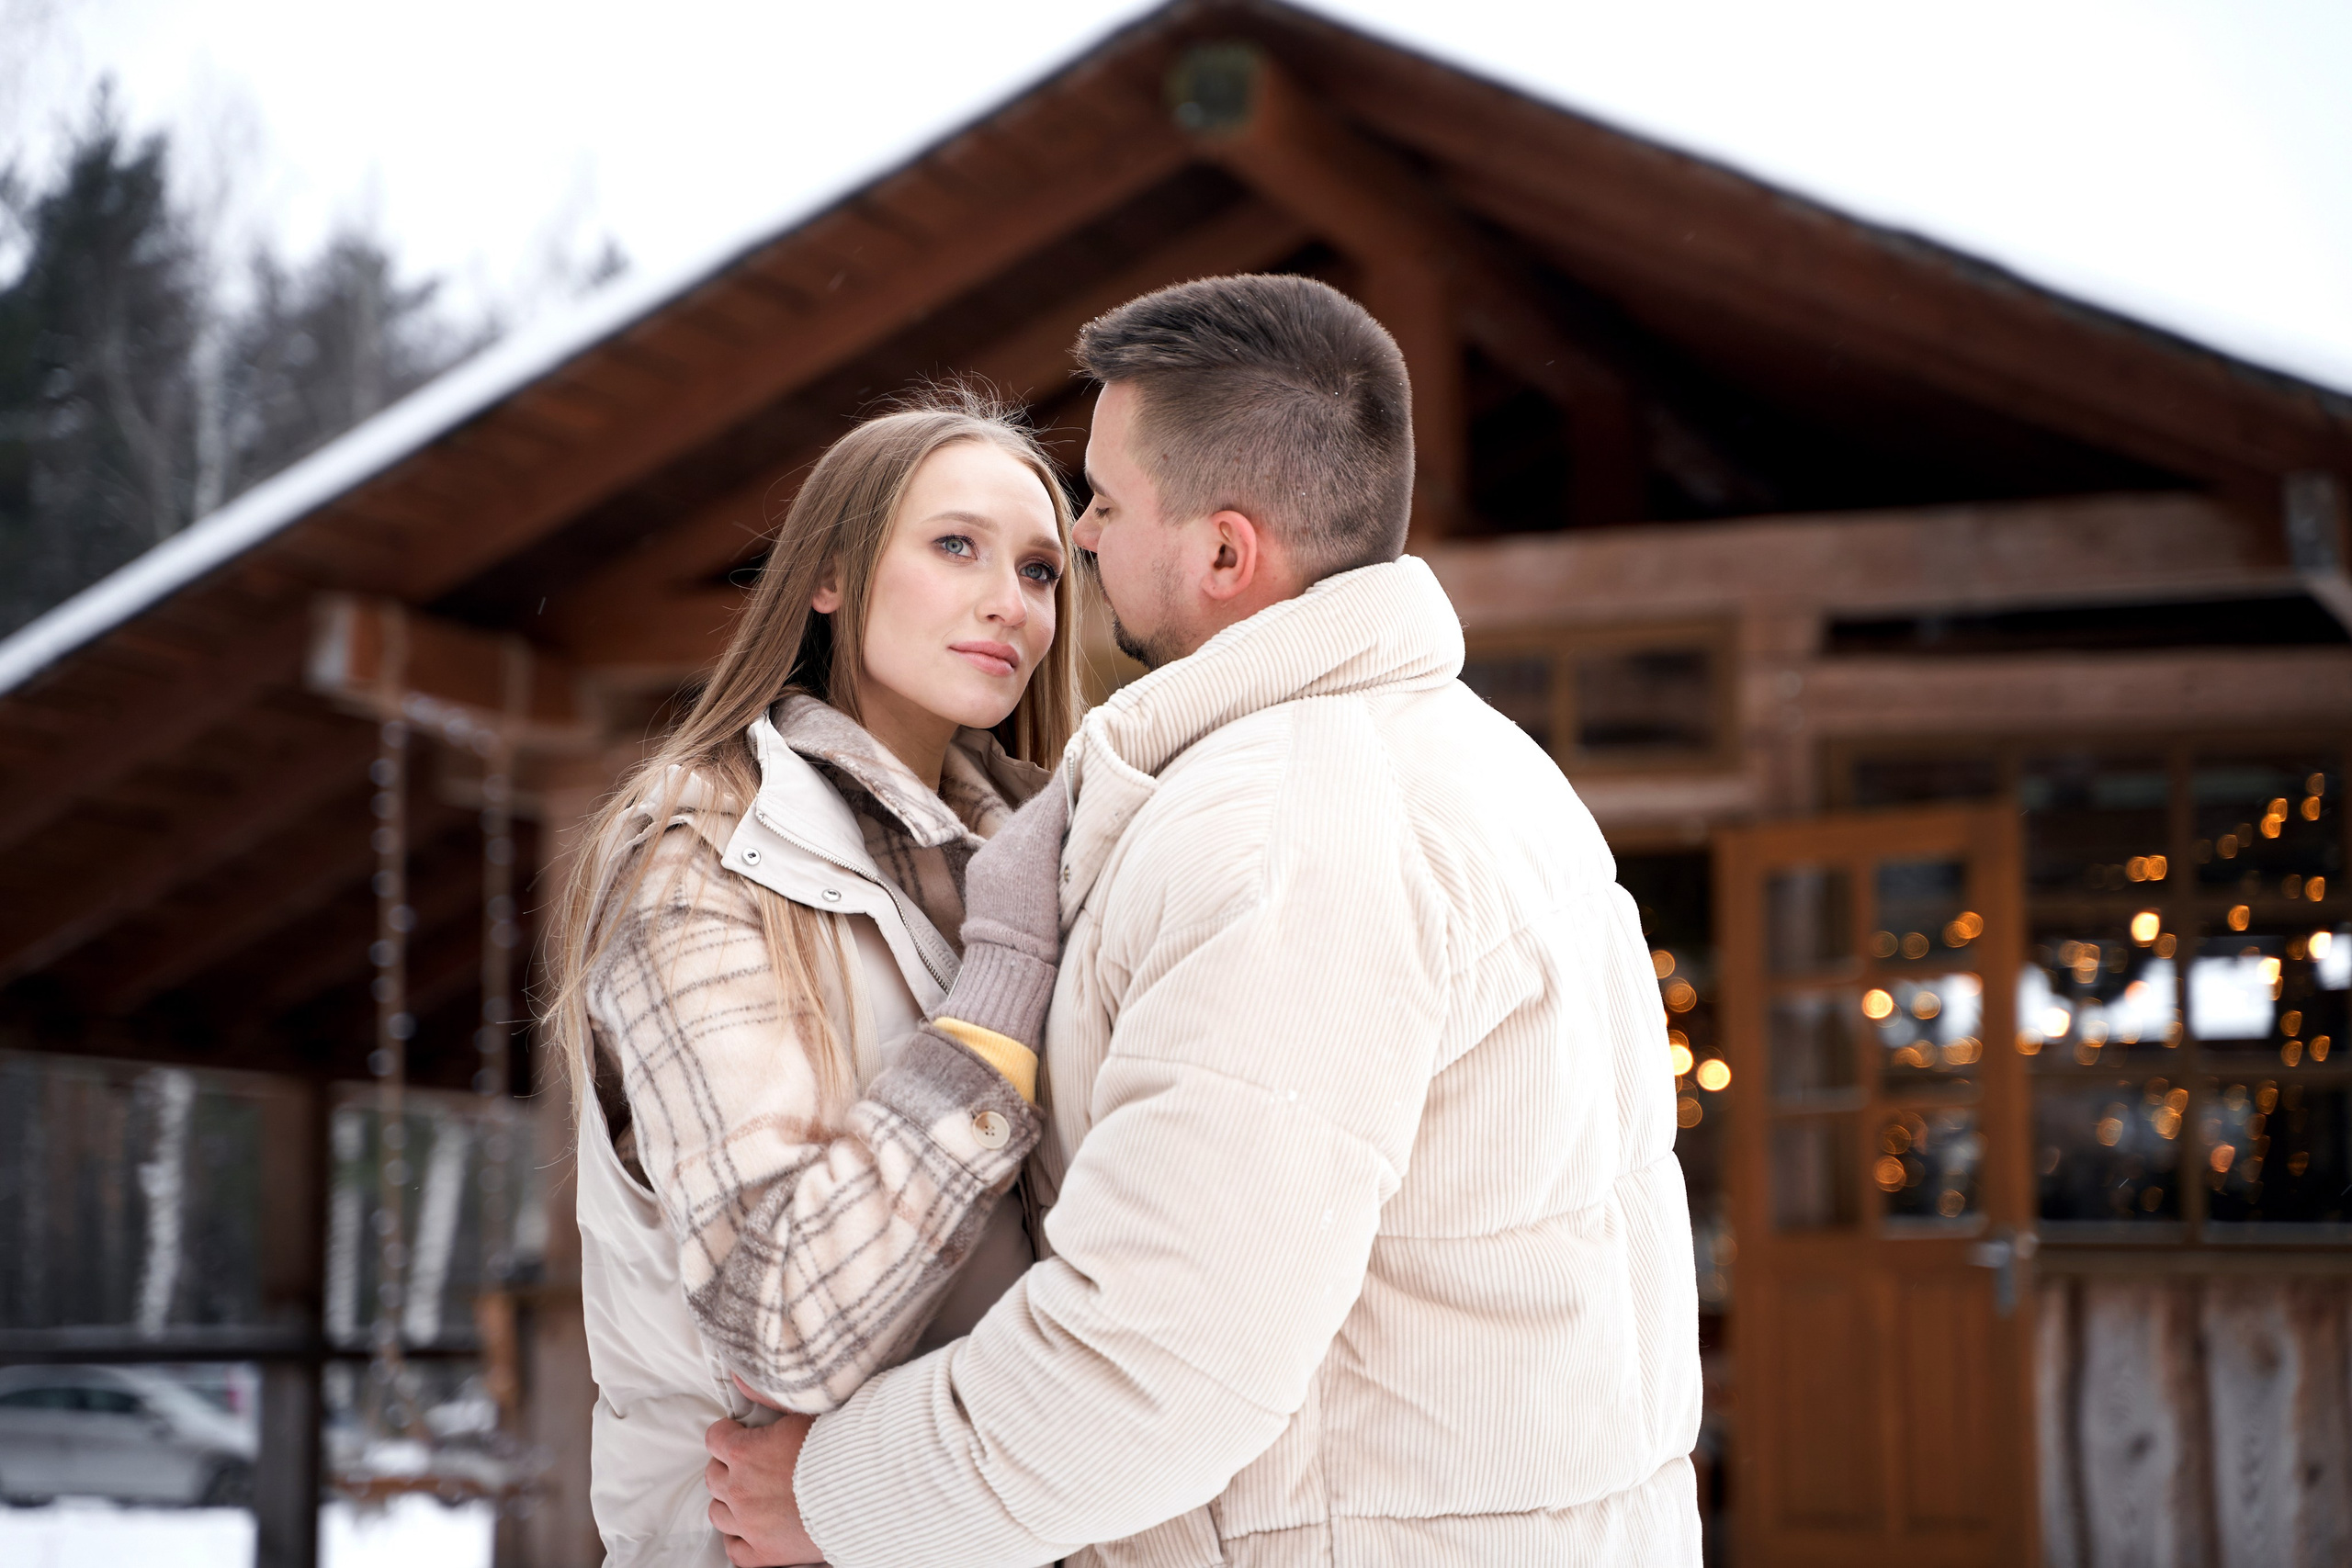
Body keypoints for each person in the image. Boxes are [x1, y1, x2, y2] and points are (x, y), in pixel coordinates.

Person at [706, 274, 1704, 1566]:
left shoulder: (1289, 827)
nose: (1077, 537)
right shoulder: (1491, 768)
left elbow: (1159, 1357)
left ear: (1226, 553)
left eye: (1107, 503)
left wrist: (833, 1494)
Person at [544, 392, 1088, 1566]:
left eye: (1041, 570)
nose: (1011, 601)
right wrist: (995, 1004)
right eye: (957, 546)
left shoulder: (1046, 865)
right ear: (830, 575)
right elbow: (778, 1323)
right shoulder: (694, 858)